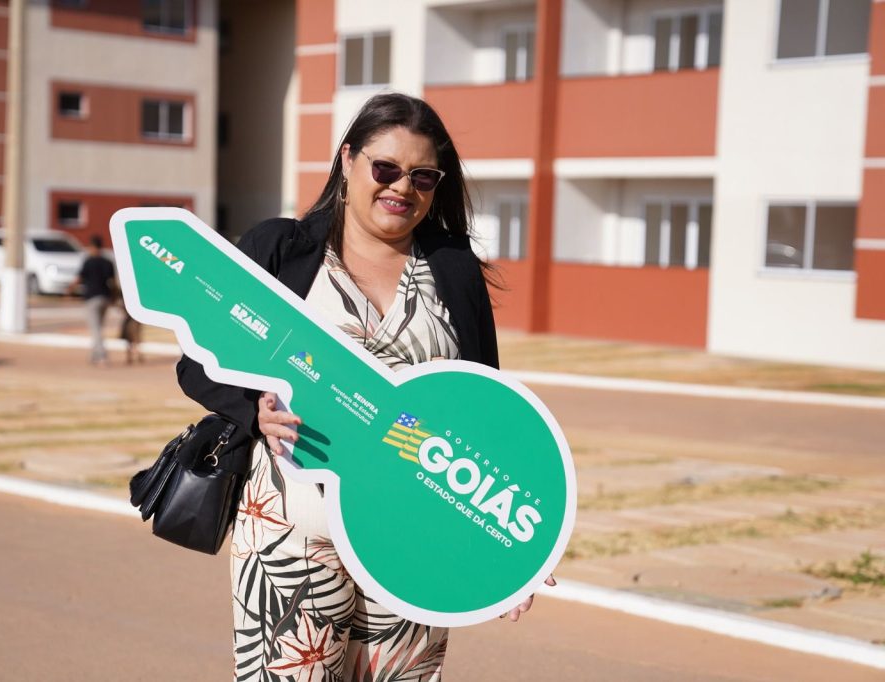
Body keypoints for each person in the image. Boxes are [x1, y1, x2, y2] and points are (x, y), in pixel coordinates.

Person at [176, 93, 547, 681]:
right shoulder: (282, 250)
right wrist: (253, 410)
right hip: (292, 537)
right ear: (348, 159)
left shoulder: (453, 268)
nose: (402, 187)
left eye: (423, 177)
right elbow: (197, 362)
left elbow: (482, 410)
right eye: (386, 168)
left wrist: (514, 557)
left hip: (415, 540)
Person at [70, 235, 115, 365]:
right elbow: (113, 282)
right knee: (99, 327)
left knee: (96, 329)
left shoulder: (89, 262)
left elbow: (79, 278)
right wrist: (113, 298)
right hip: (105, 298)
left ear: (92, 247)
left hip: (92, 298)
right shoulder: (108, 262)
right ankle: (94, 355)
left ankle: (101, 356)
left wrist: (70, 289)